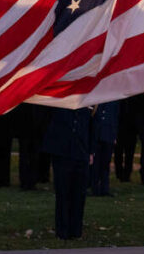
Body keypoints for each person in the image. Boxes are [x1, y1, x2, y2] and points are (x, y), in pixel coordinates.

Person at [41, 106, 93, 239]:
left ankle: (76, 231)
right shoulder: (60, 99)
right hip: (61, 150)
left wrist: (91, 150)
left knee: (79, 193)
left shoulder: (90, 99)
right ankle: (62, 230)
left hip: (81, 150)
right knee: (63, 192)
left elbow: (93, 124)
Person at [90, 100, 118, 196]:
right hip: (96, 134)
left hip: (108, 134)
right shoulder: (96, 99)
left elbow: (116, 117)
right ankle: (95, 188)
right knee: (96, 164)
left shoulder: (114, 100)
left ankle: (105, 189)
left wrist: (114, 135)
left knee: (105, 164)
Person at [113, 96, 138, 183]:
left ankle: (126, 174)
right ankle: (120, 173)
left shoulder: (131, 97)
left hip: (130, 127)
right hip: (122, 127)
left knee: (128, 153)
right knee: (120, 152)